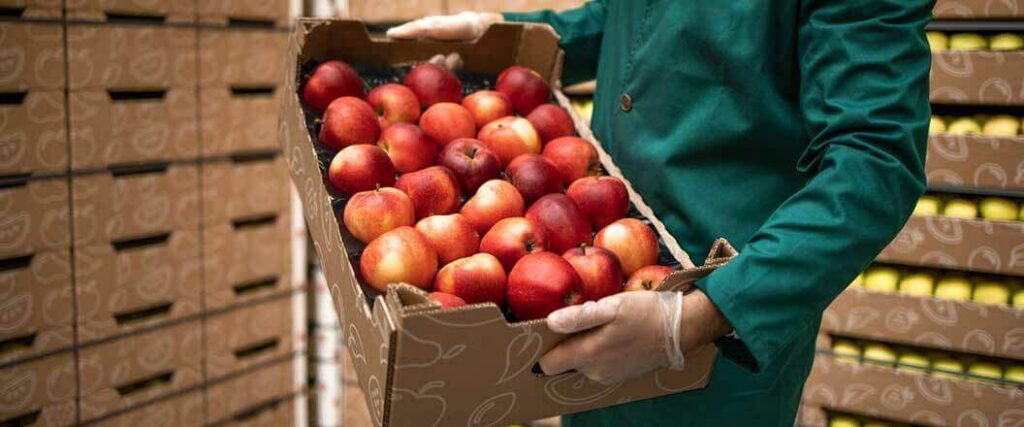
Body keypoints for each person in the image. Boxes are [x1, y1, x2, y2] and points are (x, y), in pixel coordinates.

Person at [389, 2, 931, 426]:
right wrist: (513, 31)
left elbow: (874, 162)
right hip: (589, 281)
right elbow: (642, 20)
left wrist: (698, 316)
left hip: (716, 342)